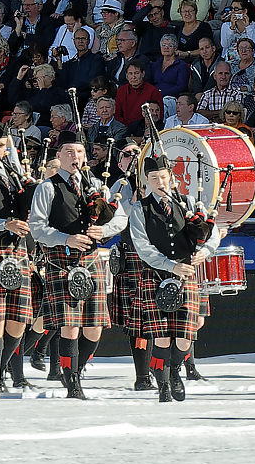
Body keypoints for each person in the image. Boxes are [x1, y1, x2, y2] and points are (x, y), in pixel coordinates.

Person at [29, 131, 126, 400]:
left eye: (80, 153)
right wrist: (66, 238)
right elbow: (37, 228)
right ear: (58, 157)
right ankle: (72, 383)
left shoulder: (97, 186)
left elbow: (121, 219)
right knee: (69, 326)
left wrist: (103, 231)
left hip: (91, 260)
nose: (75, 157)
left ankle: (75, 370)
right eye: (69, 153)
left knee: (94, 328)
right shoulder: (47, 187)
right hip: (62, 262)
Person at [126, 149, 222, 403]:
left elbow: (214, 232)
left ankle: (175, 370)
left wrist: (206, 252)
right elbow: (143, 246)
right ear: (147, 180)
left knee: (184, 337)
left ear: (171, 176)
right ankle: (164, 385)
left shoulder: (189, 203)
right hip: (157, 275)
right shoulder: (140, 209)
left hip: (186, 275)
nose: (160, 182)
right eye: (154, 178)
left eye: (163, 177)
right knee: (161, 336)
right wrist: (170, 266)